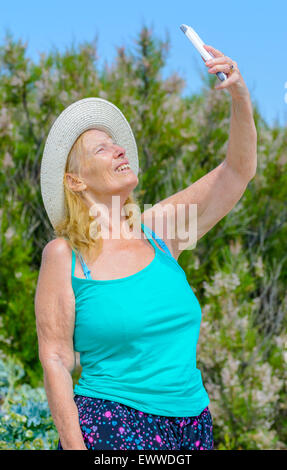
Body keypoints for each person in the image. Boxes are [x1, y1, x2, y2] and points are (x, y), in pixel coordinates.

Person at [34, 49, 257, 450]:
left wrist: (239, 97)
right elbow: (56, 359)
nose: (119, 149)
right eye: (101, 149)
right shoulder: (65, 256)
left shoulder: (159, 231)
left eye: (116, 144)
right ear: (75, 181)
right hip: (113, 421)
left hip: (193, 423)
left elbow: (237, 172)